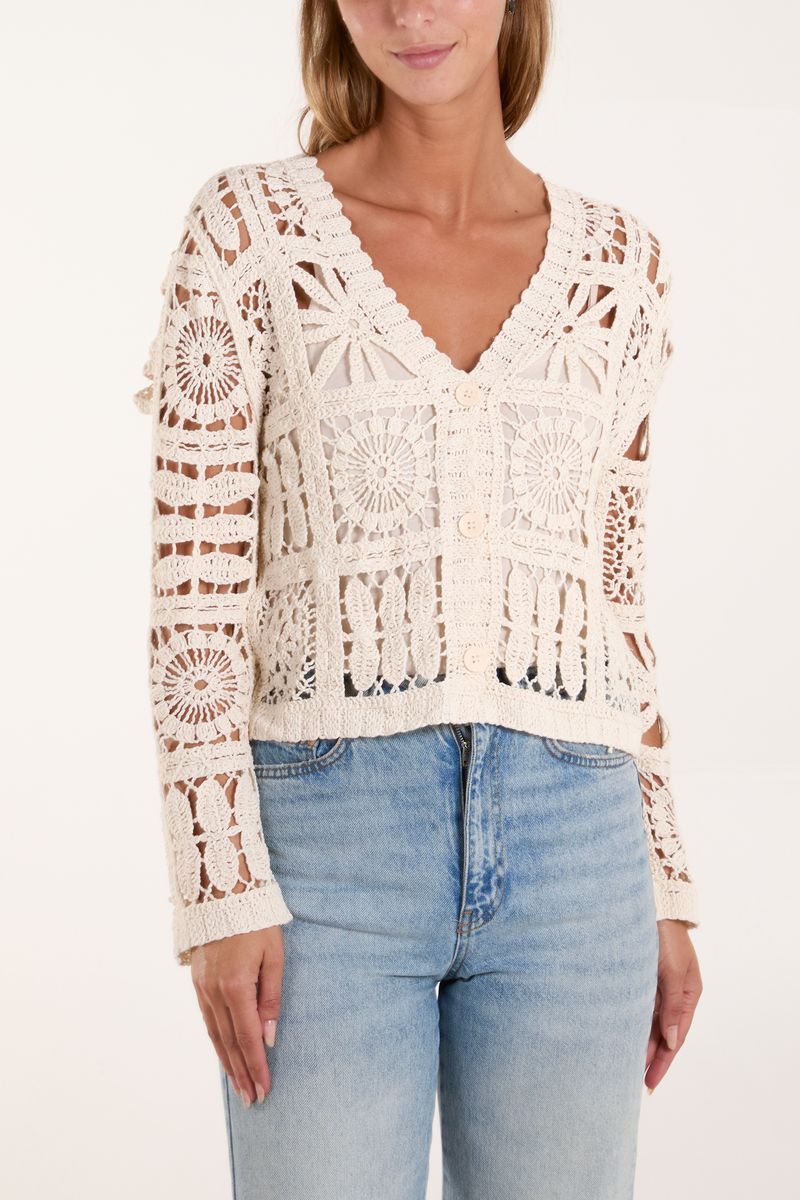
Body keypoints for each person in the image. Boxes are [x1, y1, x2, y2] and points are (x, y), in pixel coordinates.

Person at [133, 1, 703, 1195]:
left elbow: (613, 601)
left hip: (577, 846)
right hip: (323, 853)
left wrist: (663, 881)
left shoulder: (620, 267)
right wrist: (217, 883)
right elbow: (194, 596)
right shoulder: (249, 236)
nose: (407, 9)